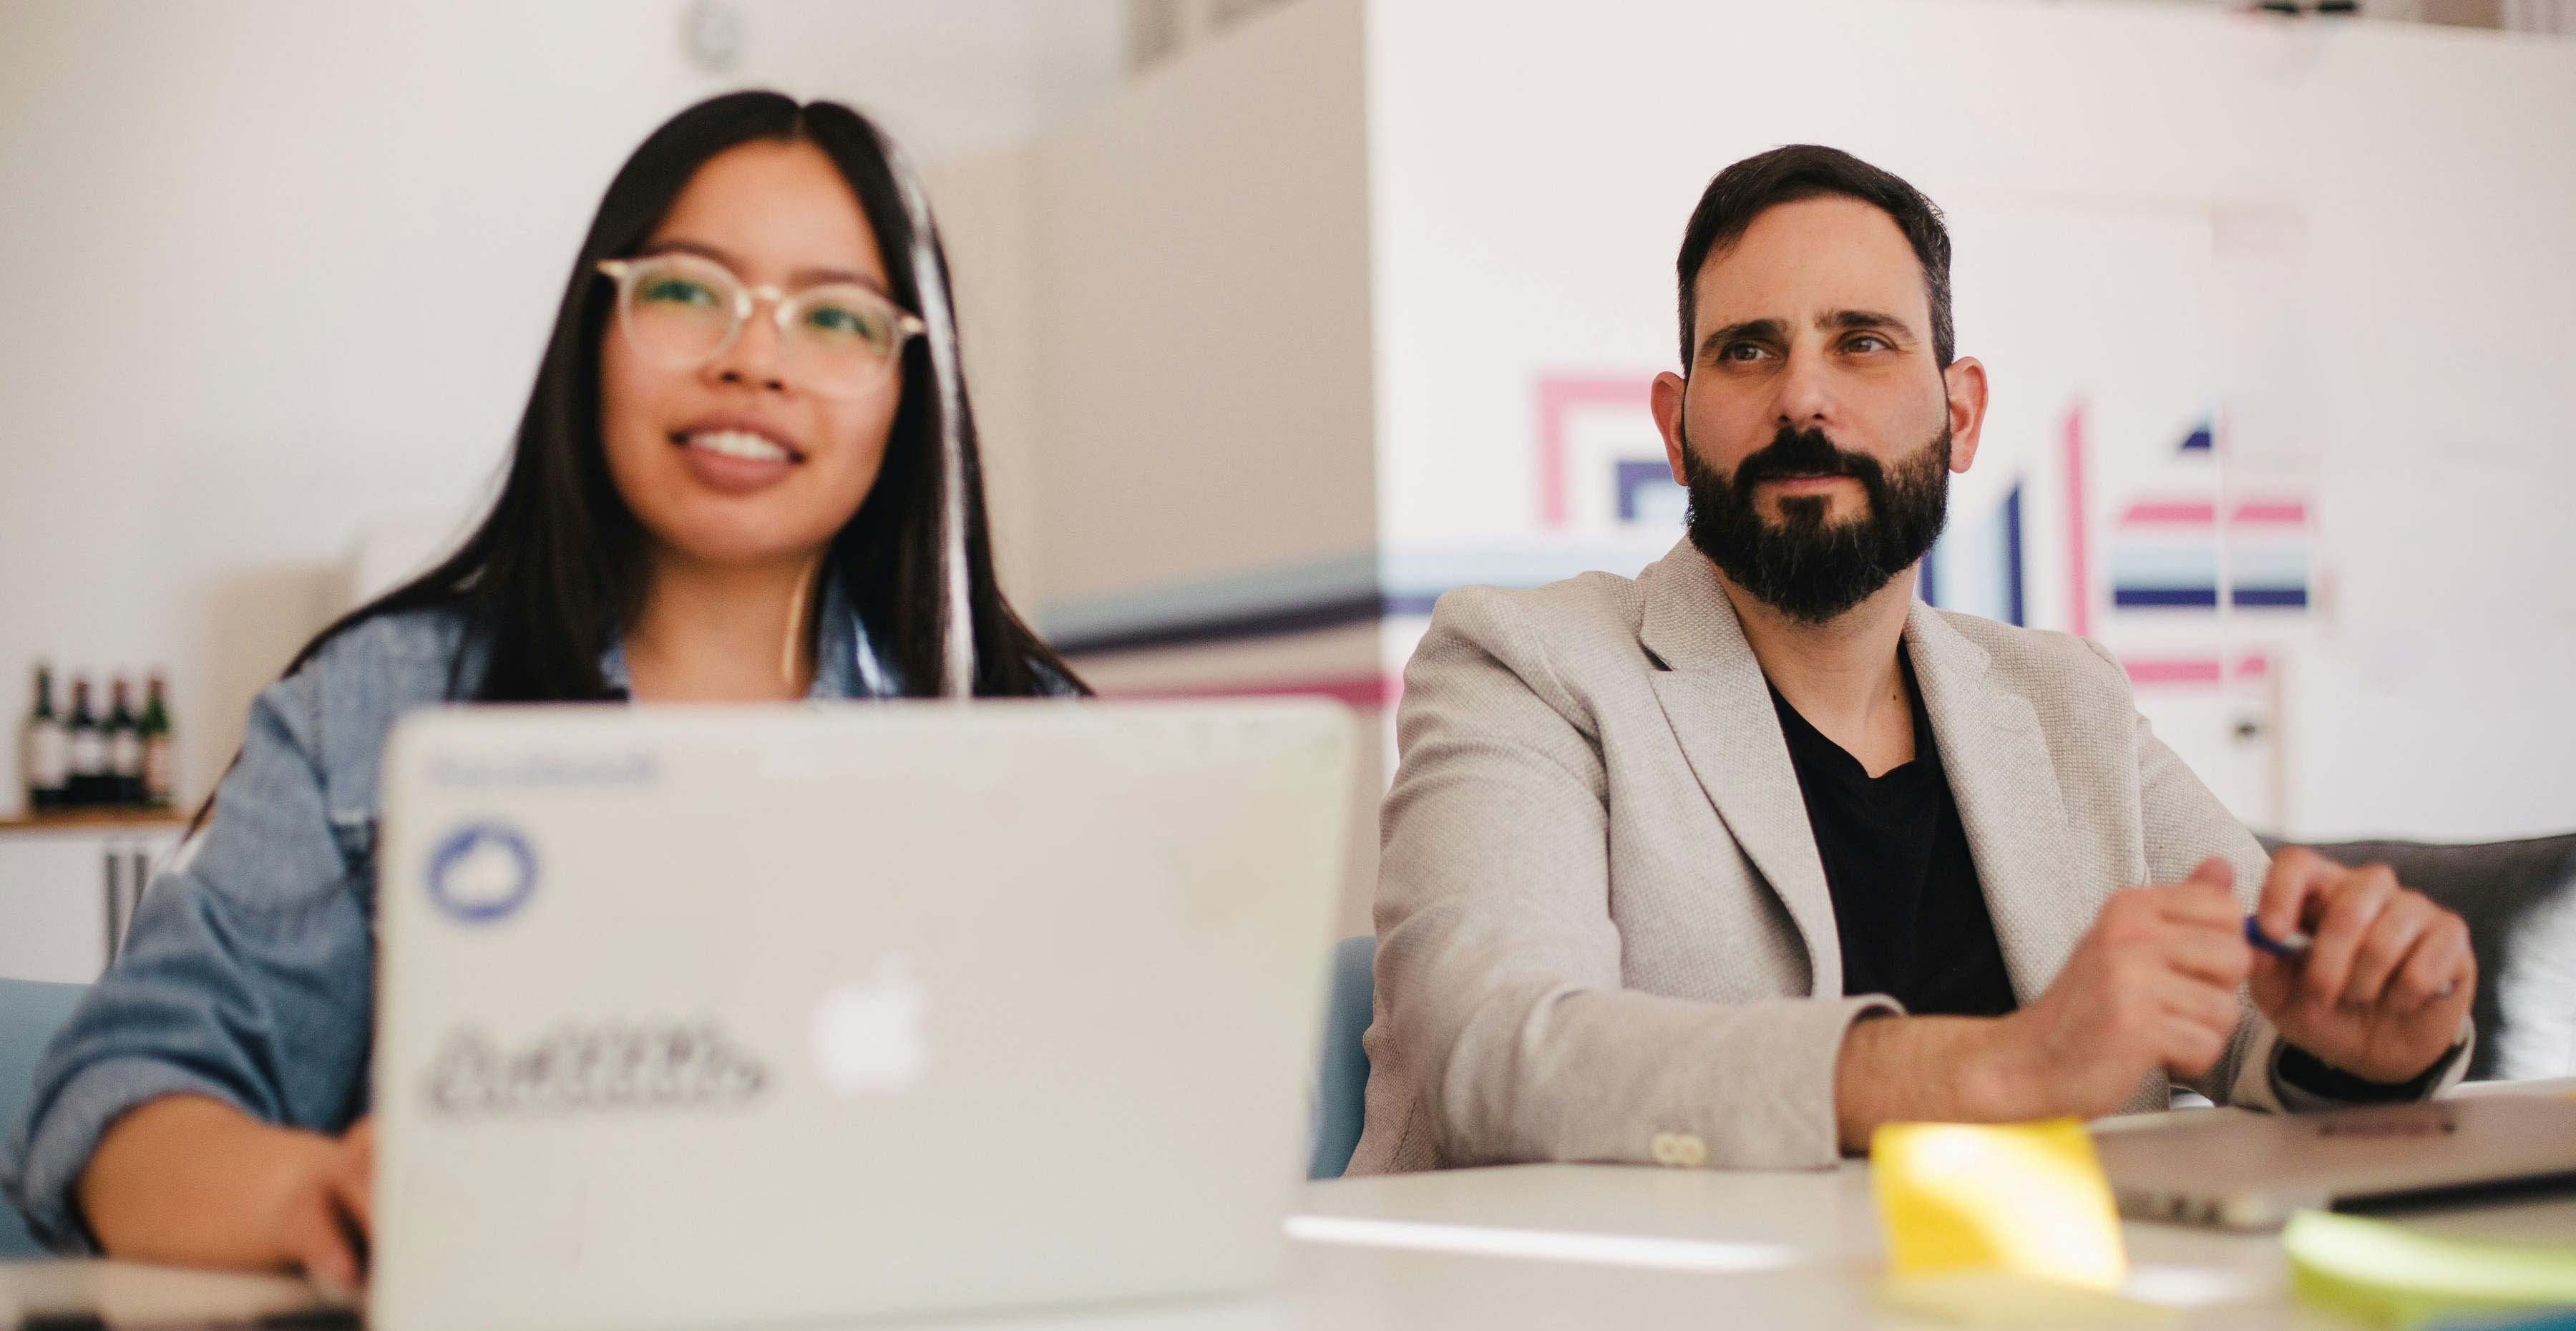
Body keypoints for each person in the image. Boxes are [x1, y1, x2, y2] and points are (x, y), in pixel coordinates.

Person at [1, 91, 1081, 1280]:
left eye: (837, 319)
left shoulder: (1034, 735)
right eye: (685, 291)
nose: (752, 359)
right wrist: (313, 1193)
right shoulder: (372, 709)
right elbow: (117, 1097)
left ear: (910, 390)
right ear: (593, 338)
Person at [1348, 145, 2474, 1176]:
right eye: (1749, 351)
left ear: (1962, 413)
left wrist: (2364, 1038)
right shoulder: (1525, 665)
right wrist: (2001, 1070)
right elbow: (1499, 1056)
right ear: (1678, 424)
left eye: (1863, 342)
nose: (1803, 397)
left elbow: (2256, 1005)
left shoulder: (2066, 700)